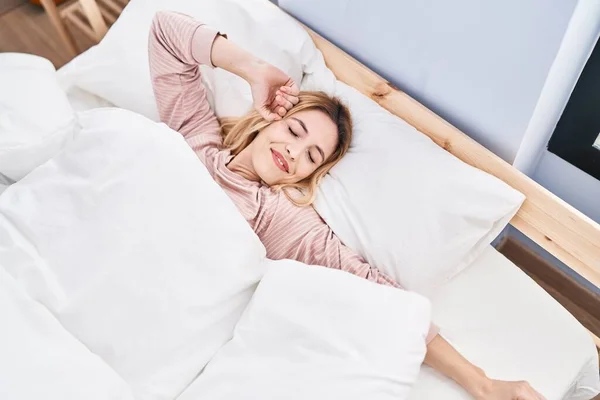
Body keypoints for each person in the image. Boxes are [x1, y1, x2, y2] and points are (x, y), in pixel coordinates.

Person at [148, 11, 545, 400]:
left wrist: (483, 384)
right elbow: (166, 31)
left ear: (307, 176)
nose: (293, 150)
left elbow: (386, 300)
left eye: (312, 155)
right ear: (269, 118)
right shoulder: (196, 137)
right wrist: (253, 70)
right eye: (294, 130)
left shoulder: (281, 220)